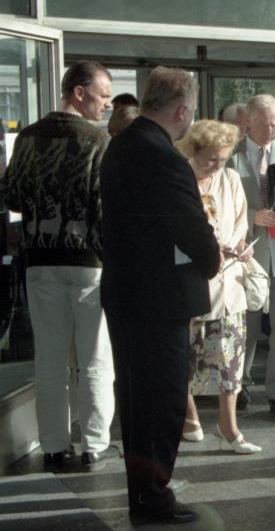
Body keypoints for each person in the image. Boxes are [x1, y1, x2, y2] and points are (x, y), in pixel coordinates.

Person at [101, 67, 220, 524]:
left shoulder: (121, 145)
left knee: (136, 398)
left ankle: (142, 493)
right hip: (159, 299)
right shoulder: (162, 156)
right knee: (162, 399)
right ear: (183, 111)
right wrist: (212, 260)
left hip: (126, 293)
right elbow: (191, 227)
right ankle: (152, 496)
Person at [0, 60, 116, 471]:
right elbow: (104, 208)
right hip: (88, 263)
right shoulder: (98, 141)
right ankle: (94, 444)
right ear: (78, 93)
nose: (107, 104)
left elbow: (12, 196)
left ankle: (52, 444)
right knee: (94, 357)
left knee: (49, 359)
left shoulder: (28, 138)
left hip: (40, 261)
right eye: (103, 95)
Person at [176, 120, 261, 455]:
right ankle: (188, 414)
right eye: (211, 158)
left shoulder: (230, 179)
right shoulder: (179, 178)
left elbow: (240, 223)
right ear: (194, 151)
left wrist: (240, 245)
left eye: (223, 158)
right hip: (190, 279)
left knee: (230, 357)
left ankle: (228, 425)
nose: (217, 165)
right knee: (185, 353)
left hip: (228, 282)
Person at [228, 94, 275, 424]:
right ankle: (239, 384)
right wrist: (251, 218)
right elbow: (219, 205)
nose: (271, 130)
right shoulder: (232, 156)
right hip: (246, 254)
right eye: (264, 124)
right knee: (246, 325)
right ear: (248, 121)